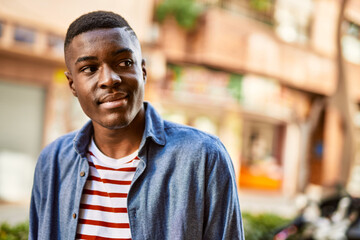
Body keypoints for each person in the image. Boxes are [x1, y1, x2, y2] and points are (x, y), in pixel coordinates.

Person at [29, 10, 244, 240]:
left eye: (124, 62)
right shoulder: (52, 162)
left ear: (142, 71)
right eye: (90, 69)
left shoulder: (203, 157)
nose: (109, 79)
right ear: (72, 84)